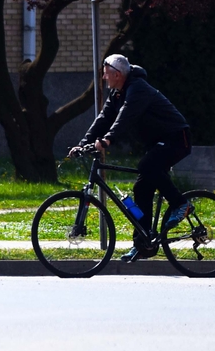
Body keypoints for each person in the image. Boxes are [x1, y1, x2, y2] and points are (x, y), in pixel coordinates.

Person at [71, 53, 193, 262]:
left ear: (117, 74)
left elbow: (125, 116)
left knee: (147, 166)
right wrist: (83, 143)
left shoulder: (138, 89)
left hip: (176, 138)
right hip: (158, 143)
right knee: (141, 189)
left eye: (106, 74)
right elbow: (104, 118)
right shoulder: (117, 93)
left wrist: (108, 140)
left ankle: (181, 204)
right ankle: (143, 243)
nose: (104, 78)